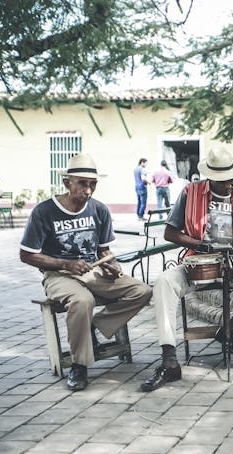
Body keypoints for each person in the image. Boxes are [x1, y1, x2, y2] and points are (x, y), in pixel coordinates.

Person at [143, 147, 233, 391]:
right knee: (164, 282)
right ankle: (169, 358)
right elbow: (170, 232)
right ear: (209, 178)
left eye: (231, 179)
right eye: (223, 181)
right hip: (199, 265)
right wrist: (199, 244)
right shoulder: (190, 193)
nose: (229, 185)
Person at [19, 154, 152, 391]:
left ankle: (93, 326)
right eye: (82, 183)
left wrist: (111, 266)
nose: (88, 190)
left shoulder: (99, 210)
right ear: (67, 183)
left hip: (93, 272)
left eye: (93, 184)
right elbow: (27, 254)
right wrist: (64, 264)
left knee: (142, 291)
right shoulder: (44, 211)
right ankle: (79, 366)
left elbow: (103, 250)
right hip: (57, 275)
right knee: (82, 300)